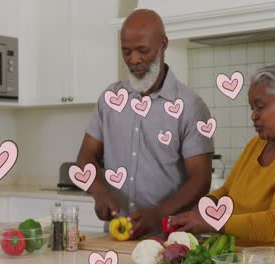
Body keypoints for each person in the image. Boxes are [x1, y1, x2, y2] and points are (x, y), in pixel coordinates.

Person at [76, 9, 214, 239]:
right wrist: (99, 191)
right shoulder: (109, 100)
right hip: (116, 237)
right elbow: (85, 157)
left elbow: (201, 180)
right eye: (126, 51)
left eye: (143, 50)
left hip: (170, 239)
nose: (134, 59)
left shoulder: (190, 106)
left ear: (163, 44)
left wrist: (158, 215)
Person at [169, 64, 275, 248]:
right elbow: (227, 191)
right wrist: (202, 209)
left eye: (260, 107)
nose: (253, 116)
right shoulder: (256, 145)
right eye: (252, 108)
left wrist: (215, 223)